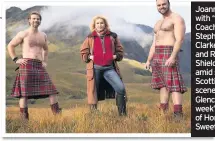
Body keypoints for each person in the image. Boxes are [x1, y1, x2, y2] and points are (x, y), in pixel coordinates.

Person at [7, 11, 61, 120]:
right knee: (24, 94)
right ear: (29, 20)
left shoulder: (43, 35)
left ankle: (58, 117)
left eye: (38, 19)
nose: (36, 20)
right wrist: (16, 59)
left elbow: (46, 49)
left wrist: (44, 61)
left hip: (39, 65)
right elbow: (10, 45)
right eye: (34, 18)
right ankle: (24, 120)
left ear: (40, 21)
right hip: (26, 64)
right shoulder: (23, 33)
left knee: (52, 91)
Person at [145, 0, 187, 119]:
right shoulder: (158, 23)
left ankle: (178, 114)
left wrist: (173, 56)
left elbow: (180, 39)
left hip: (169, 52)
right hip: (157, 54)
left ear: (169, 4)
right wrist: (148, 60)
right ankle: (163, 112)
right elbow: (154, 43)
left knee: (174, 83)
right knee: (162, 84)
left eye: (164, 4)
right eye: (159, 5)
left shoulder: (177, 18)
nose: (161, 7)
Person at [80, 15, 127, 116]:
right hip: (95, 69)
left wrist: (115, 56)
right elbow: (83, 52)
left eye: (102, 23)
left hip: (109, 69)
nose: (100, 25)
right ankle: (94, 115)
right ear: (94, 25)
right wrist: (89, 57)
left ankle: (122, 115)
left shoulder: (113, 36)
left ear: (105, 24)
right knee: (93, 92)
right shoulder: (90, 37)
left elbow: (120, 50)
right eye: (97, 23)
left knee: (121, 88)